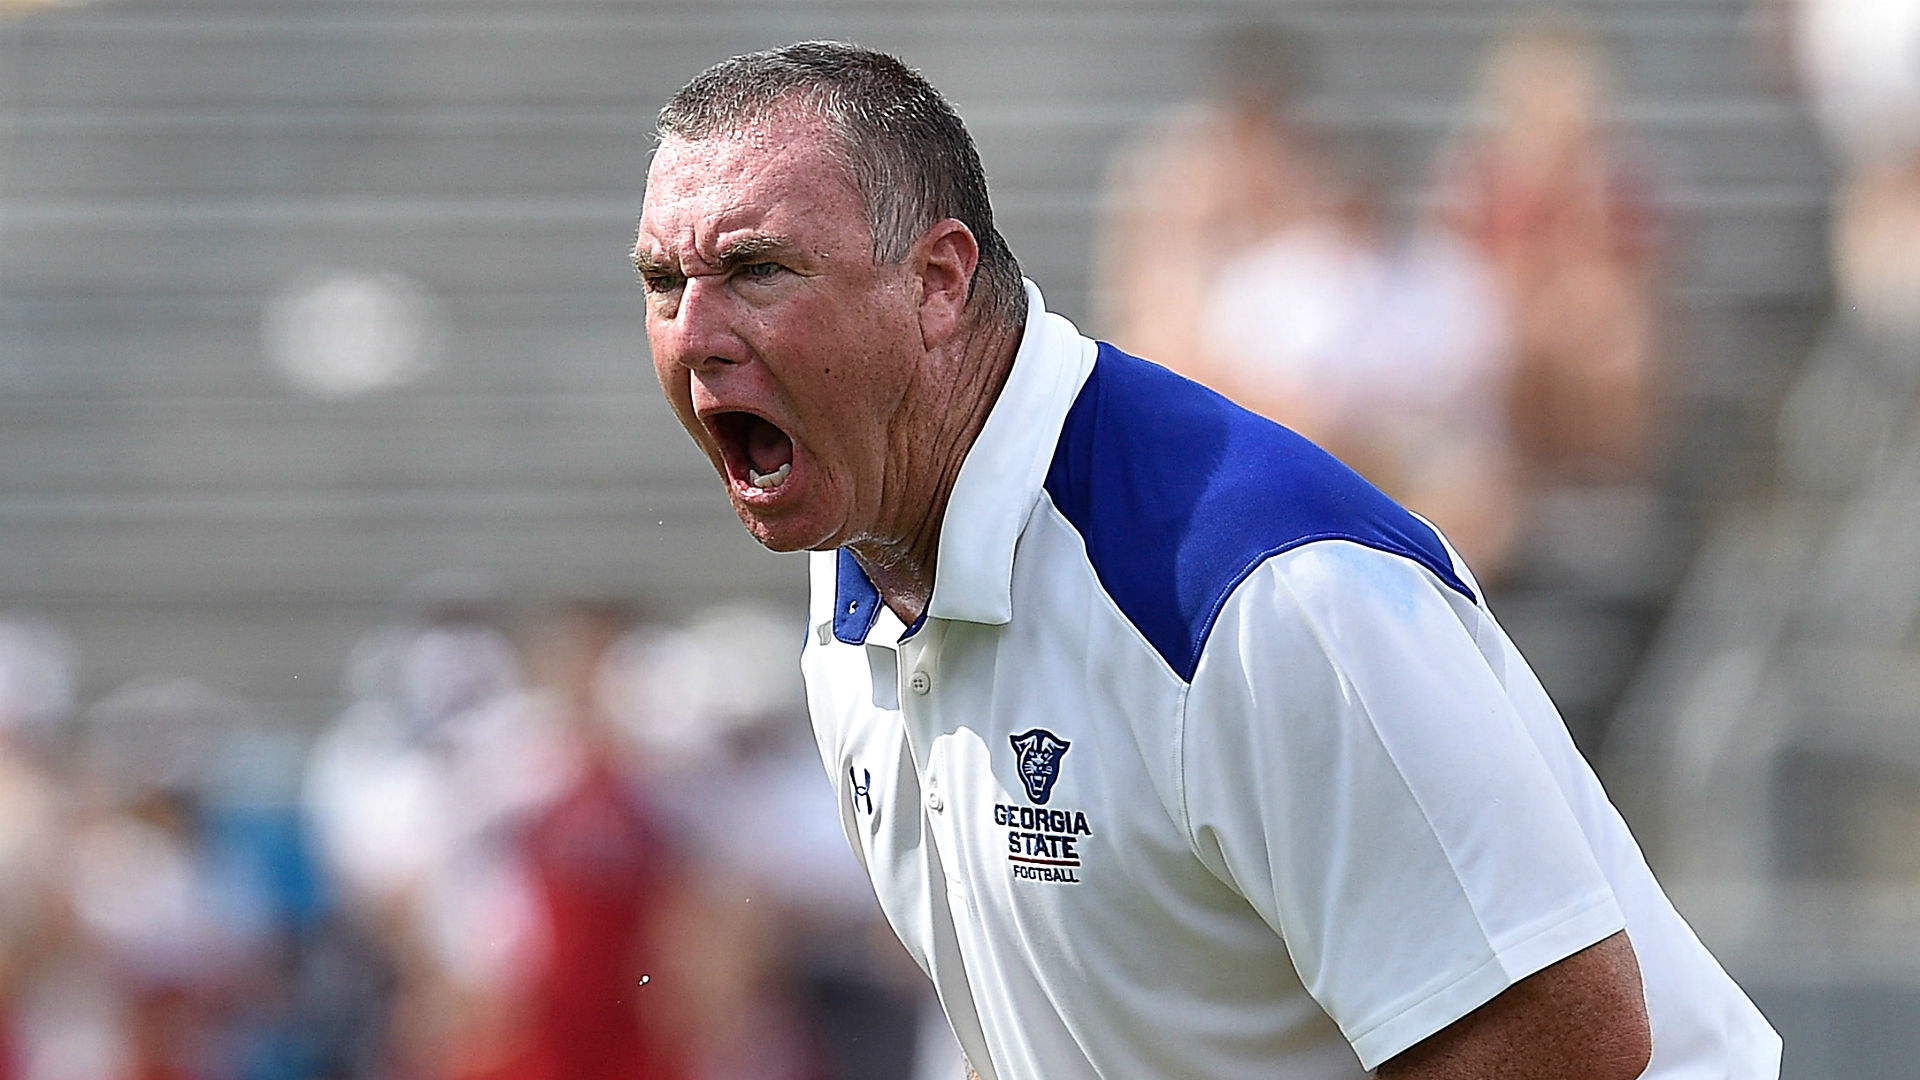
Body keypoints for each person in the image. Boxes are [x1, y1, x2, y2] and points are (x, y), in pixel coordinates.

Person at [632, 40, 1781, 1080]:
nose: (694, 333)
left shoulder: (1259, 593)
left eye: (757, 269)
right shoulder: (855, 577)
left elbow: (1563, 1039)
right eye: (662, 283)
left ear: (937, 283)